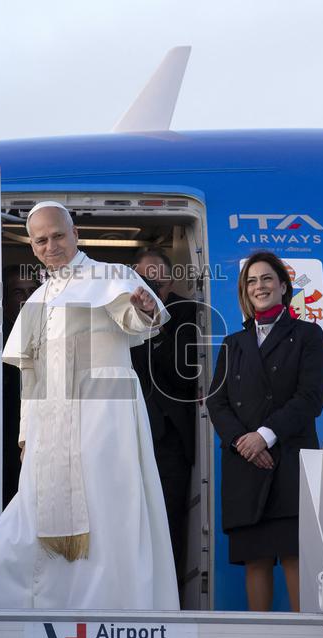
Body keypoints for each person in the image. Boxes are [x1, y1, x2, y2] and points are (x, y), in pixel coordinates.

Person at [0, 201, 179, 610]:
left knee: (107, 511)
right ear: (32, 246)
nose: (51, 246)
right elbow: (30, 377)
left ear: (75, 233)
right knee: (32, 515)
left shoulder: (110, 275)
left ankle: (107, 609)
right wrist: (25, 435)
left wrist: (144, 310)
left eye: (58, 235)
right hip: (50, 427)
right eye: (41, 240)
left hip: (104, 417)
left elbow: (137, 319)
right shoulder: (37, 298)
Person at [205, 251, 323, 612]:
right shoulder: (233, 344)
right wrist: (242, 442)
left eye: (266, 279)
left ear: (284, 286)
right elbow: (217, 402)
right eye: (251, 281)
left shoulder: (307, 335)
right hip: (245, 463)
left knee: (294, 556)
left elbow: (310, 398)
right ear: (245, 291)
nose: (259, 286)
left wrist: (265, 436)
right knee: (255, 559)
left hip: (288, 461)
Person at [129, 248, 198, 588]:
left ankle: (168, 596)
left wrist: (157, 322)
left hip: (169, 436)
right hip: (127, 434)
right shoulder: (120, 313)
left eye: (158, 281)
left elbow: (184, 375)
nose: (151, 287)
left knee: (168, 520)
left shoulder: (187, 313)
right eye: (144, 279)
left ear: (170, 283)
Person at [1, 264, 39, 507]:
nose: (27, 299)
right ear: (4, 300)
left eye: (32, 292)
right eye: (18, 292)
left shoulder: (50, 333)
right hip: (6, 442)